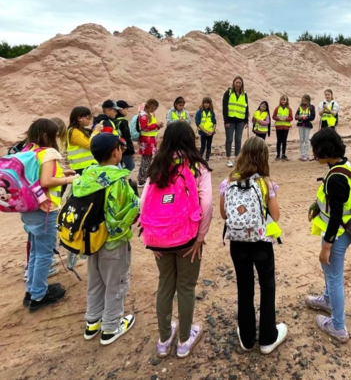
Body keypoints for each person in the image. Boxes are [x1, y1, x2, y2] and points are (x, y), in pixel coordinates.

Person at [141, 122, 213, 359]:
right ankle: (183, 340)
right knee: (185, 287)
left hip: (159, 239)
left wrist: (152, 237)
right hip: (187, 238)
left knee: (164, 285)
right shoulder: (197, 167)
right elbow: (207, 204)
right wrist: (200, 239)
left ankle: (163, 339)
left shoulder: (158, 165)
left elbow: (144, 204)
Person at [219, 136, 287, 354]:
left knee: (244, 286)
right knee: (267, 286)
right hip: (261, 243)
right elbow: (274, 216)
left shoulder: (228, 181)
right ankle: (268, 337)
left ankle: (247, 338)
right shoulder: (266, 183)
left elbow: (223, 214)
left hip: (237, 243)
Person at [74, 132, 139, 344]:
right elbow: (132, 210)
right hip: (113, 242)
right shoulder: (118, 180)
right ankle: (111, 327)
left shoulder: (87, 174)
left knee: (95, 280)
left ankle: (92, 322)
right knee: (116, 282)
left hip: (90, 240)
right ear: (115, 152)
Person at [305, 128, 351, 343]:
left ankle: (338, 326)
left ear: (325, 150)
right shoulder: (342, 166)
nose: (314, 154)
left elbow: (336, 215)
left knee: (334, 277)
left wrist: (327, 245)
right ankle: (327, 300)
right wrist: (316, 206)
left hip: (337, 233)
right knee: (328, 271)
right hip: (342, 231)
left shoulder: (336, 177)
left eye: (316, 150)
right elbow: (336, 202)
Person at [22, 119, 76, 312]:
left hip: (29, 208)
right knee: (45, 253)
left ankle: (32, 290)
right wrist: (70, 179)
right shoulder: (49, 152)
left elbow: (36, 177)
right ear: (47, 136)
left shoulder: (28, 151)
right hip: (46, 209)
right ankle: (38, 295)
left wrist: (62, 172)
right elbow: (46, 180)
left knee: (36, 251)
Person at [222, 76, 249, 167]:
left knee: (238, 139)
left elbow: (246, 107)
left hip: (240, 121)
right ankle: (228, 159)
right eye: (236, 82)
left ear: (242, 84)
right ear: (234, 83)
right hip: (230, 120)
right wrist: (226, 121)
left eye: (239, 83)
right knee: (229, 139)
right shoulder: (228, 93)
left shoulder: (244, 94)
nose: (238, 84)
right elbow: (225, 108)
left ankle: (237, 158)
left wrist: (246, 121)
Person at [138, 99, 164, 187]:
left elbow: (150, 126)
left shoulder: (149, 114)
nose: (154, 109)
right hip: (146, 141)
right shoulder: (144, 115)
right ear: (149, 106)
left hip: (150, 140)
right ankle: (142, 180)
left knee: (148, 160)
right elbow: (144, 127)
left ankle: (145, 178)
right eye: (153, 107)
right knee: (145, 160)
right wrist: (156, 125)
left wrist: (158, 126)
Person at [67, 107, 99, 175]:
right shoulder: (74, 132)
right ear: (79, 118)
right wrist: (96, 131)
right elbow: (89, 145)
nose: (89, 121)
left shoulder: (81, 131)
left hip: (86, 166)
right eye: (88, 118)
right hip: (81, 167)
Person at [195, 96, 217, 163]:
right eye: (205, 103)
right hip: (203, 133)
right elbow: (198, 123)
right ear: (203, 103)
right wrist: (204, 131)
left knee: (209, 146)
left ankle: (207, 159)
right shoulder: (200, 112)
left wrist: (213, 130)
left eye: (208, 103)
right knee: (203, 146)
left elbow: (214, 122)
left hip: (210, 133)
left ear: (210, 104)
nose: (206, 104)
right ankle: (200, 158)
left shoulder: (212, 112)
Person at [116, 100, 136, 172]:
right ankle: (121, 178)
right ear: (121, 110)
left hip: (116, 147)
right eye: (126, 108)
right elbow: (127, 137)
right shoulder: (123, 121)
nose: (127, 111)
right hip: (125, 148)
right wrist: (131, 151)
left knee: (119, 166)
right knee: (130, 166)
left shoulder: (114, 120)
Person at [295, 94, 316, 161]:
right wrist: (298, 117)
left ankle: (306, 155)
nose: (304, 101)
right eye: (303, 100)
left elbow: (312, 116)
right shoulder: (300, 107)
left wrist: (306, 117)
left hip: (307, 124)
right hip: (300, 124)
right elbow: (296, 115)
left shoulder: (311, 107)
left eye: (305, 100)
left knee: (306, 139)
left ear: (308, 100)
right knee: (301, 139)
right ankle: (302, 154)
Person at [272, 95, 293, 161]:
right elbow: (273, 116)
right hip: (279, 127)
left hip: (286, 127)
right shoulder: (277, 108)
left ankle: (283, 154)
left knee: (284, 140)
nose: (283, 101)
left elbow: (291, 117)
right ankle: (278, 154)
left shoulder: (289, 109)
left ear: (287, 101)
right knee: (279, 140)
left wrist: (286, 119)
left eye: (284, 100)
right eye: (282, 100)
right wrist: (278, 118)